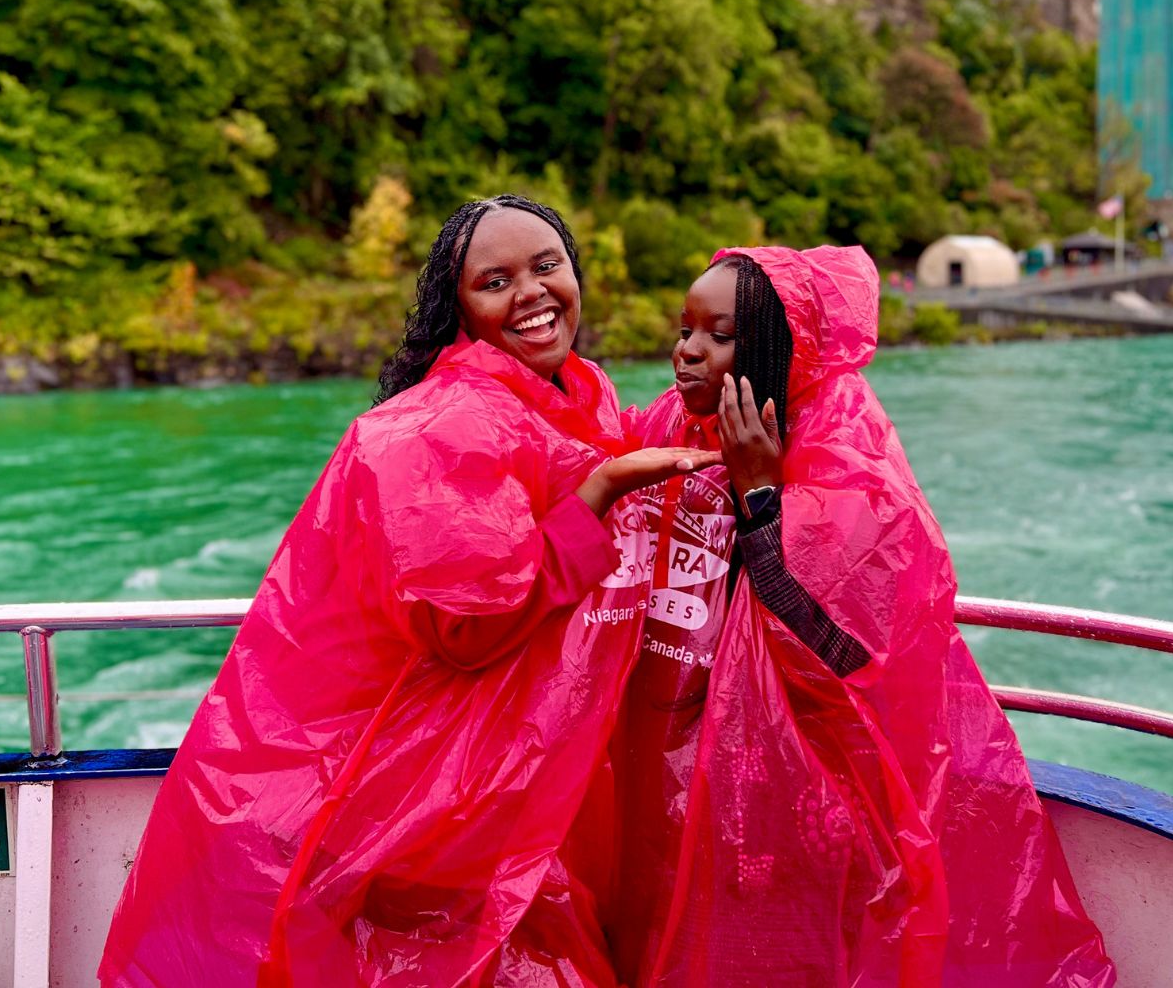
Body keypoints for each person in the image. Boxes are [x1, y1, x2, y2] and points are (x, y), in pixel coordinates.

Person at [99, 194, 716, 986]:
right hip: (428, 798)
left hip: (510, 779)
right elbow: (468, 627)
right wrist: (596, 497)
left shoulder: (576, 394)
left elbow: (633, 442)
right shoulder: (436, 427)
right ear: (456, 308)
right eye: (496, 281)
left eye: (546, 265)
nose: (530, 293)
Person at [604, 246, 1114, 986]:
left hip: (797, 791)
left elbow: (847, 645)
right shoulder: (677, 423)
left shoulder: (846, 457)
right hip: (683, 771)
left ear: (776, 350)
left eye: (717, 336)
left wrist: (760, 496)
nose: (686, 351)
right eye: (684, 329)